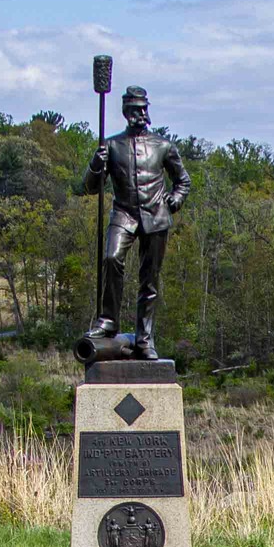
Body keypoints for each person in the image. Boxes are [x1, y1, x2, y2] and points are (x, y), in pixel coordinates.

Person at [79, 86, 190, 359]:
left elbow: (183, 181)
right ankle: (108, 321)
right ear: (125, 112)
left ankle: (144, 338)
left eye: (142, 109)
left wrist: (175, 199)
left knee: (149, 281)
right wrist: (96, 163)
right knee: (111, 258)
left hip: (156, 216)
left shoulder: (163, 145)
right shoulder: (112, 145)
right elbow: (91, 187)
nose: (139, 114)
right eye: (133, 110)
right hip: (124, 214)